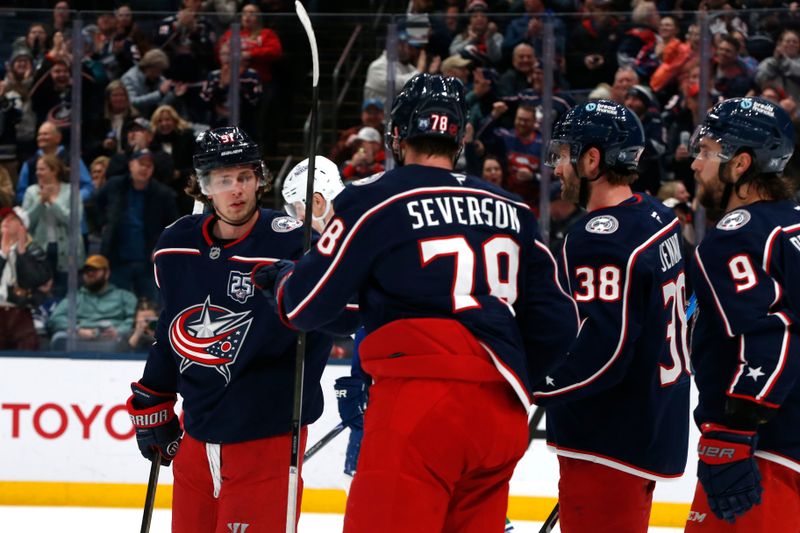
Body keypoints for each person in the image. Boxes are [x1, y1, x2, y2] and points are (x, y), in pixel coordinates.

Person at [254, 73, 578, 532]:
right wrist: (514, 382)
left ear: (397, 134)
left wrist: (283, 282)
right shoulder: (514, 209)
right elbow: (558, 321)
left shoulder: (374, 199)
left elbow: (306, 305)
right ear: (461, 136)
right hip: (501, 414)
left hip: (419, 407)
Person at [124, 127, 357, 533]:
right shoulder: (174, 246)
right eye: (223, 179)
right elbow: (172, 325)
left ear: (260, 179)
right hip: (196, 437)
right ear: (203, 187)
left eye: (245, 177)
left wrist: (299, 287)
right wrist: (153, 395)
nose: (236, 190)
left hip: (267, 438)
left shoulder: (295, 244)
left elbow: (348, 315)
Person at [533, 100, 691, 533]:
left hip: (608, 435)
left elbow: (607, 349)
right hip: (651, 420)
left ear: (592, 159)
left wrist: (538, 387)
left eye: (565, 155)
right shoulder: (657, 215)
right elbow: (685, 302)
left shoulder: (598, 239)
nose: (558, 168)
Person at [684, 97, 800, 530]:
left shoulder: (735, 236)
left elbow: (771, 334)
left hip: (761, 453)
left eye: (708, 152)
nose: (696, 164)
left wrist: (733, 432)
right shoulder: (791, 224)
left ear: (741, 164)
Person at [95, 149, 177, 301]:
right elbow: (95, 204)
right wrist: (103, 225)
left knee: (150, 307)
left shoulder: (163, 194)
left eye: (149, 165)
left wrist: (162, 245)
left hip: (147, 262)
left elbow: (173, 225)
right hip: (117, 259)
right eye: (141, 164)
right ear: (131, 165)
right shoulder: (115, 185)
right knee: (116, 305)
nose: (144, 169)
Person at [48, 254, 137, 351]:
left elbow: (135, 320)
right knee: (59, 338)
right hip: (80, 338)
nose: (90, 274)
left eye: (95, 270)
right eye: (87, 271)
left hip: (113, 339)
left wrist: (119, 331)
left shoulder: (124, 297)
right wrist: (77, 329)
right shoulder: (76, 297)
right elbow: (55, 318)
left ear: (107, 273)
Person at [0, 206, 52, 351]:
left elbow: (35, 280)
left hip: (20, 312)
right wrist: (3, 255)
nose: (6, 221)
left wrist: (22, 254)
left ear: (23, 227)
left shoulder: (34, 251)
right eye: (5, 218)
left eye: (13, 219)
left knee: (26, 353)